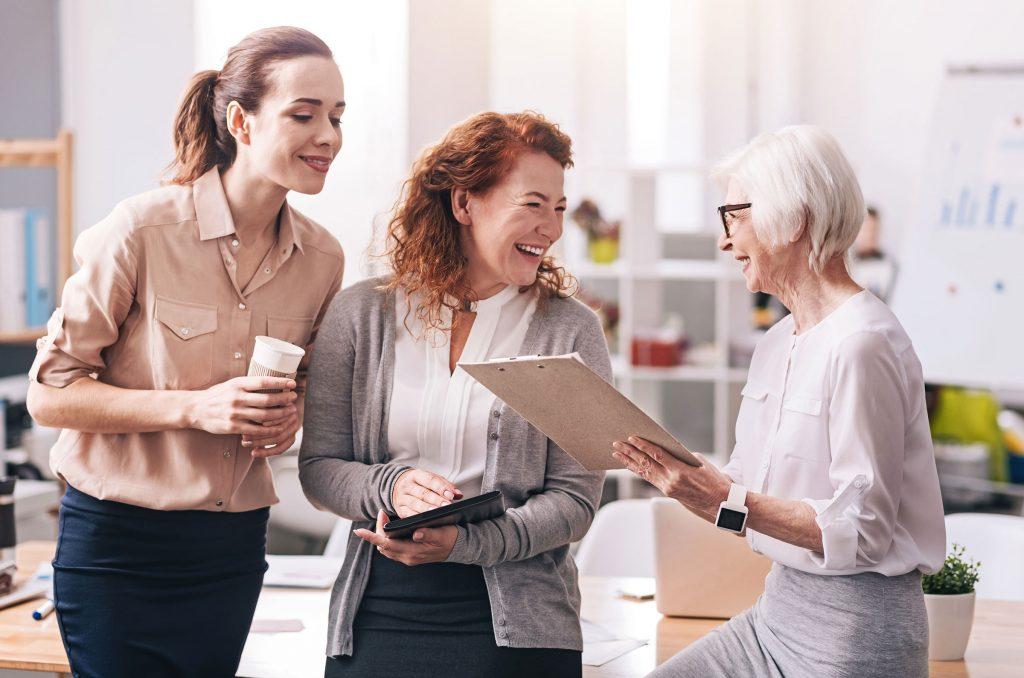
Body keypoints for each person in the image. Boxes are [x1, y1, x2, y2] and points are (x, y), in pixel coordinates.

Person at [25, 27, 345, 678]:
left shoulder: (323, 259)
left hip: (228, 550)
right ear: (241, 122)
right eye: (304, 115)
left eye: (337, 118)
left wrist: (289, 417)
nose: (329, 137)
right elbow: (49, 394)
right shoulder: (141, 230)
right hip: (118, 544)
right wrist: (195, 409)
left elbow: (303, 387)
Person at [611, 125, 946, 678]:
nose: (724, 240)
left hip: (856, 637)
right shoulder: (776, 342)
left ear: (795, 218)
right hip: (775, 616)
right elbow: (749, 491)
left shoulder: (863, 344)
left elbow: (862, 530)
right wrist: (687, 478)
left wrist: (729, 498)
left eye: (735, 216)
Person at [299, 111, 611, 678]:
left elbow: (574, 501)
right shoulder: (361, 314)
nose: (553, 228)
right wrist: (389, 485)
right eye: (533, 204)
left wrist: (466, 543)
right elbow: (319, 468)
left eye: (559, 209)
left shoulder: (570, 330)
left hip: (523, 627)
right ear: (464, 204)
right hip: (379, 612)